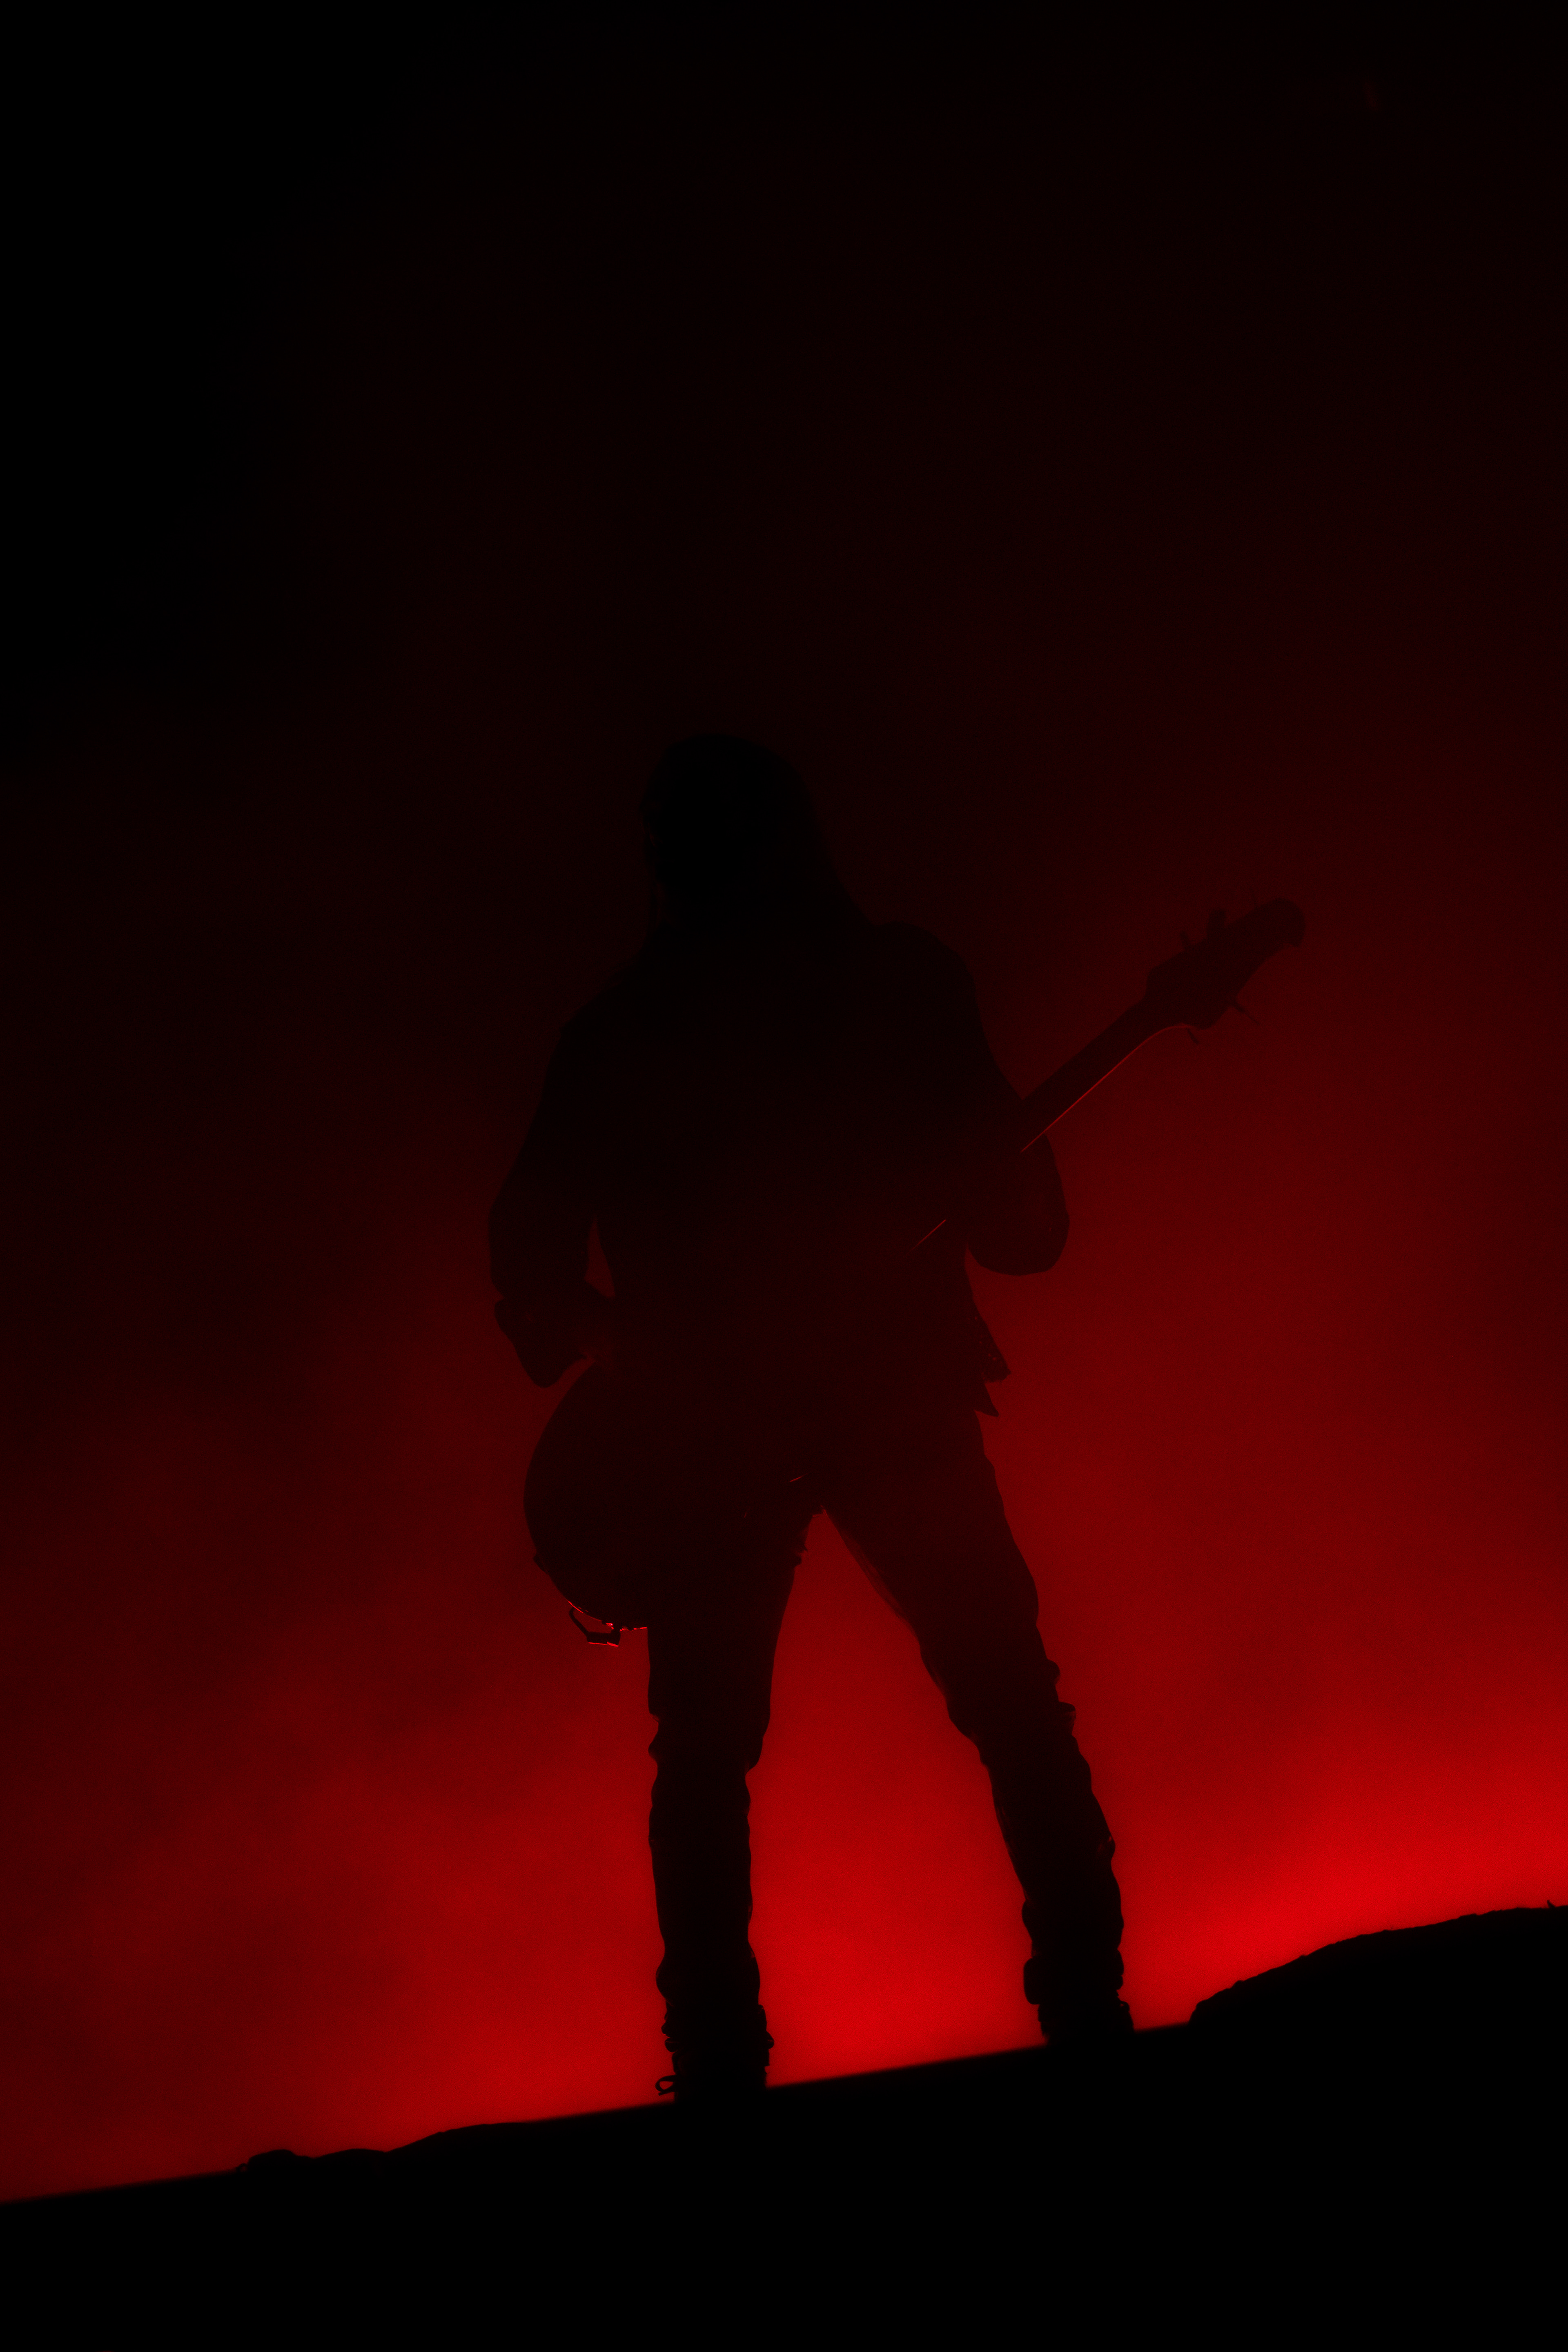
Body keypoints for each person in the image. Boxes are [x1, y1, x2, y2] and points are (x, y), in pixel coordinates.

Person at [490, 735, 1128, 2099]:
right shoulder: (889, 984)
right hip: (817, 1409)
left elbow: (530, 1256)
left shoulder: (633, 1028)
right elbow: (1023, 1235)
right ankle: (1084, 2010)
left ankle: (722, 2064)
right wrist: (623, 1345)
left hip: (784, 1413)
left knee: (720, 1750)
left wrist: (624, 1347)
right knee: (997, 1698)